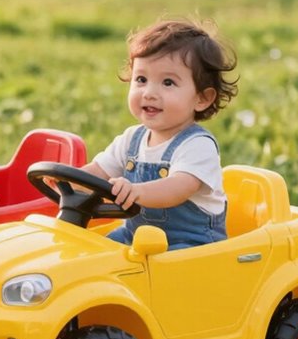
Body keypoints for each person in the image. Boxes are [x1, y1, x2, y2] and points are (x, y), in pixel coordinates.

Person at [81, 19, 239, 250]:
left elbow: (177, 188)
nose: (149, 93)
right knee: (96, 251)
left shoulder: (198, 145)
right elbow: (98, 171)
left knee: (168, 265)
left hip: (191, 246)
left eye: (168, 82)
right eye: (141, 79)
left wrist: (136, 191)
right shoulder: (131, 139)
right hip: (137, 238)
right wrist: (68, 180)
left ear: (202, 98)